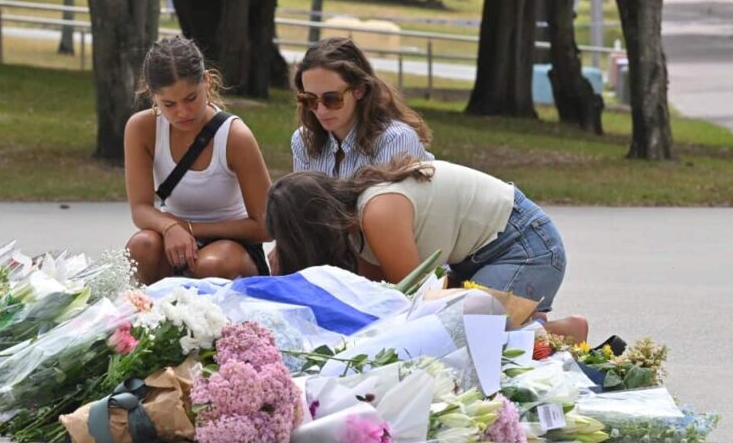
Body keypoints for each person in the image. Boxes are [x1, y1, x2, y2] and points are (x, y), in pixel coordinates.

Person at [265, 158, 587, 341]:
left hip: (526, 248)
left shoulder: (378, 214)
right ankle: (524, 323)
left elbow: (412, 302)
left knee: (465, 337)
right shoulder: (358, 222)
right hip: (483, 256)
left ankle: (556, 331)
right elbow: (372, 291)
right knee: (464, 333)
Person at [124, 36, 272, 285]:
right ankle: (147, 319)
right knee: (141, 246)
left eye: (191, 98)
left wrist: (188, 229)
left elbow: (267, 226)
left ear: (207, 81)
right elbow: (140, 209)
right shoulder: (141, 128)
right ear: (153, 96)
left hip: (233, 246)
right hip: (173, 238)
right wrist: (170, 228)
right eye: (169, 104)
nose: (182, 112)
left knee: (209, 265)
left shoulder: (235, 136)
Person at [292, 37, 434, 178]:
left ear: (359, 90)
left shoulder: (396, 139)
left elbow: (386, 201)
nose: (321, 110)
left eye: (332, 99)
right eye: (309, 100)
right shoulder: (303, 141)